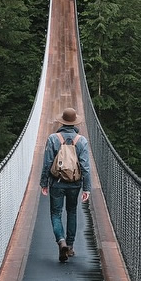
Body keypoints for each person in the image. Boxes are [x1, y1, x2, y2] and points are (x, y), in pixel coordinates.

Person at [40, 107, 91, 262]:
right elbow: (86, 167)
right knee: (72, 212)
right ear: (75, 122)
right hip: (74, 184)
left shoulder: (53, 138)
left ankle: (61, 241)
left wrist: (44, 183)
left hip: (57, 182)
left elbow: (47, 163)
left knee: (56, 213)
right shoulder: (81, 141)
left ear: (62, 121)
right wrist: (87, 188)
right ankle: (70, 246)